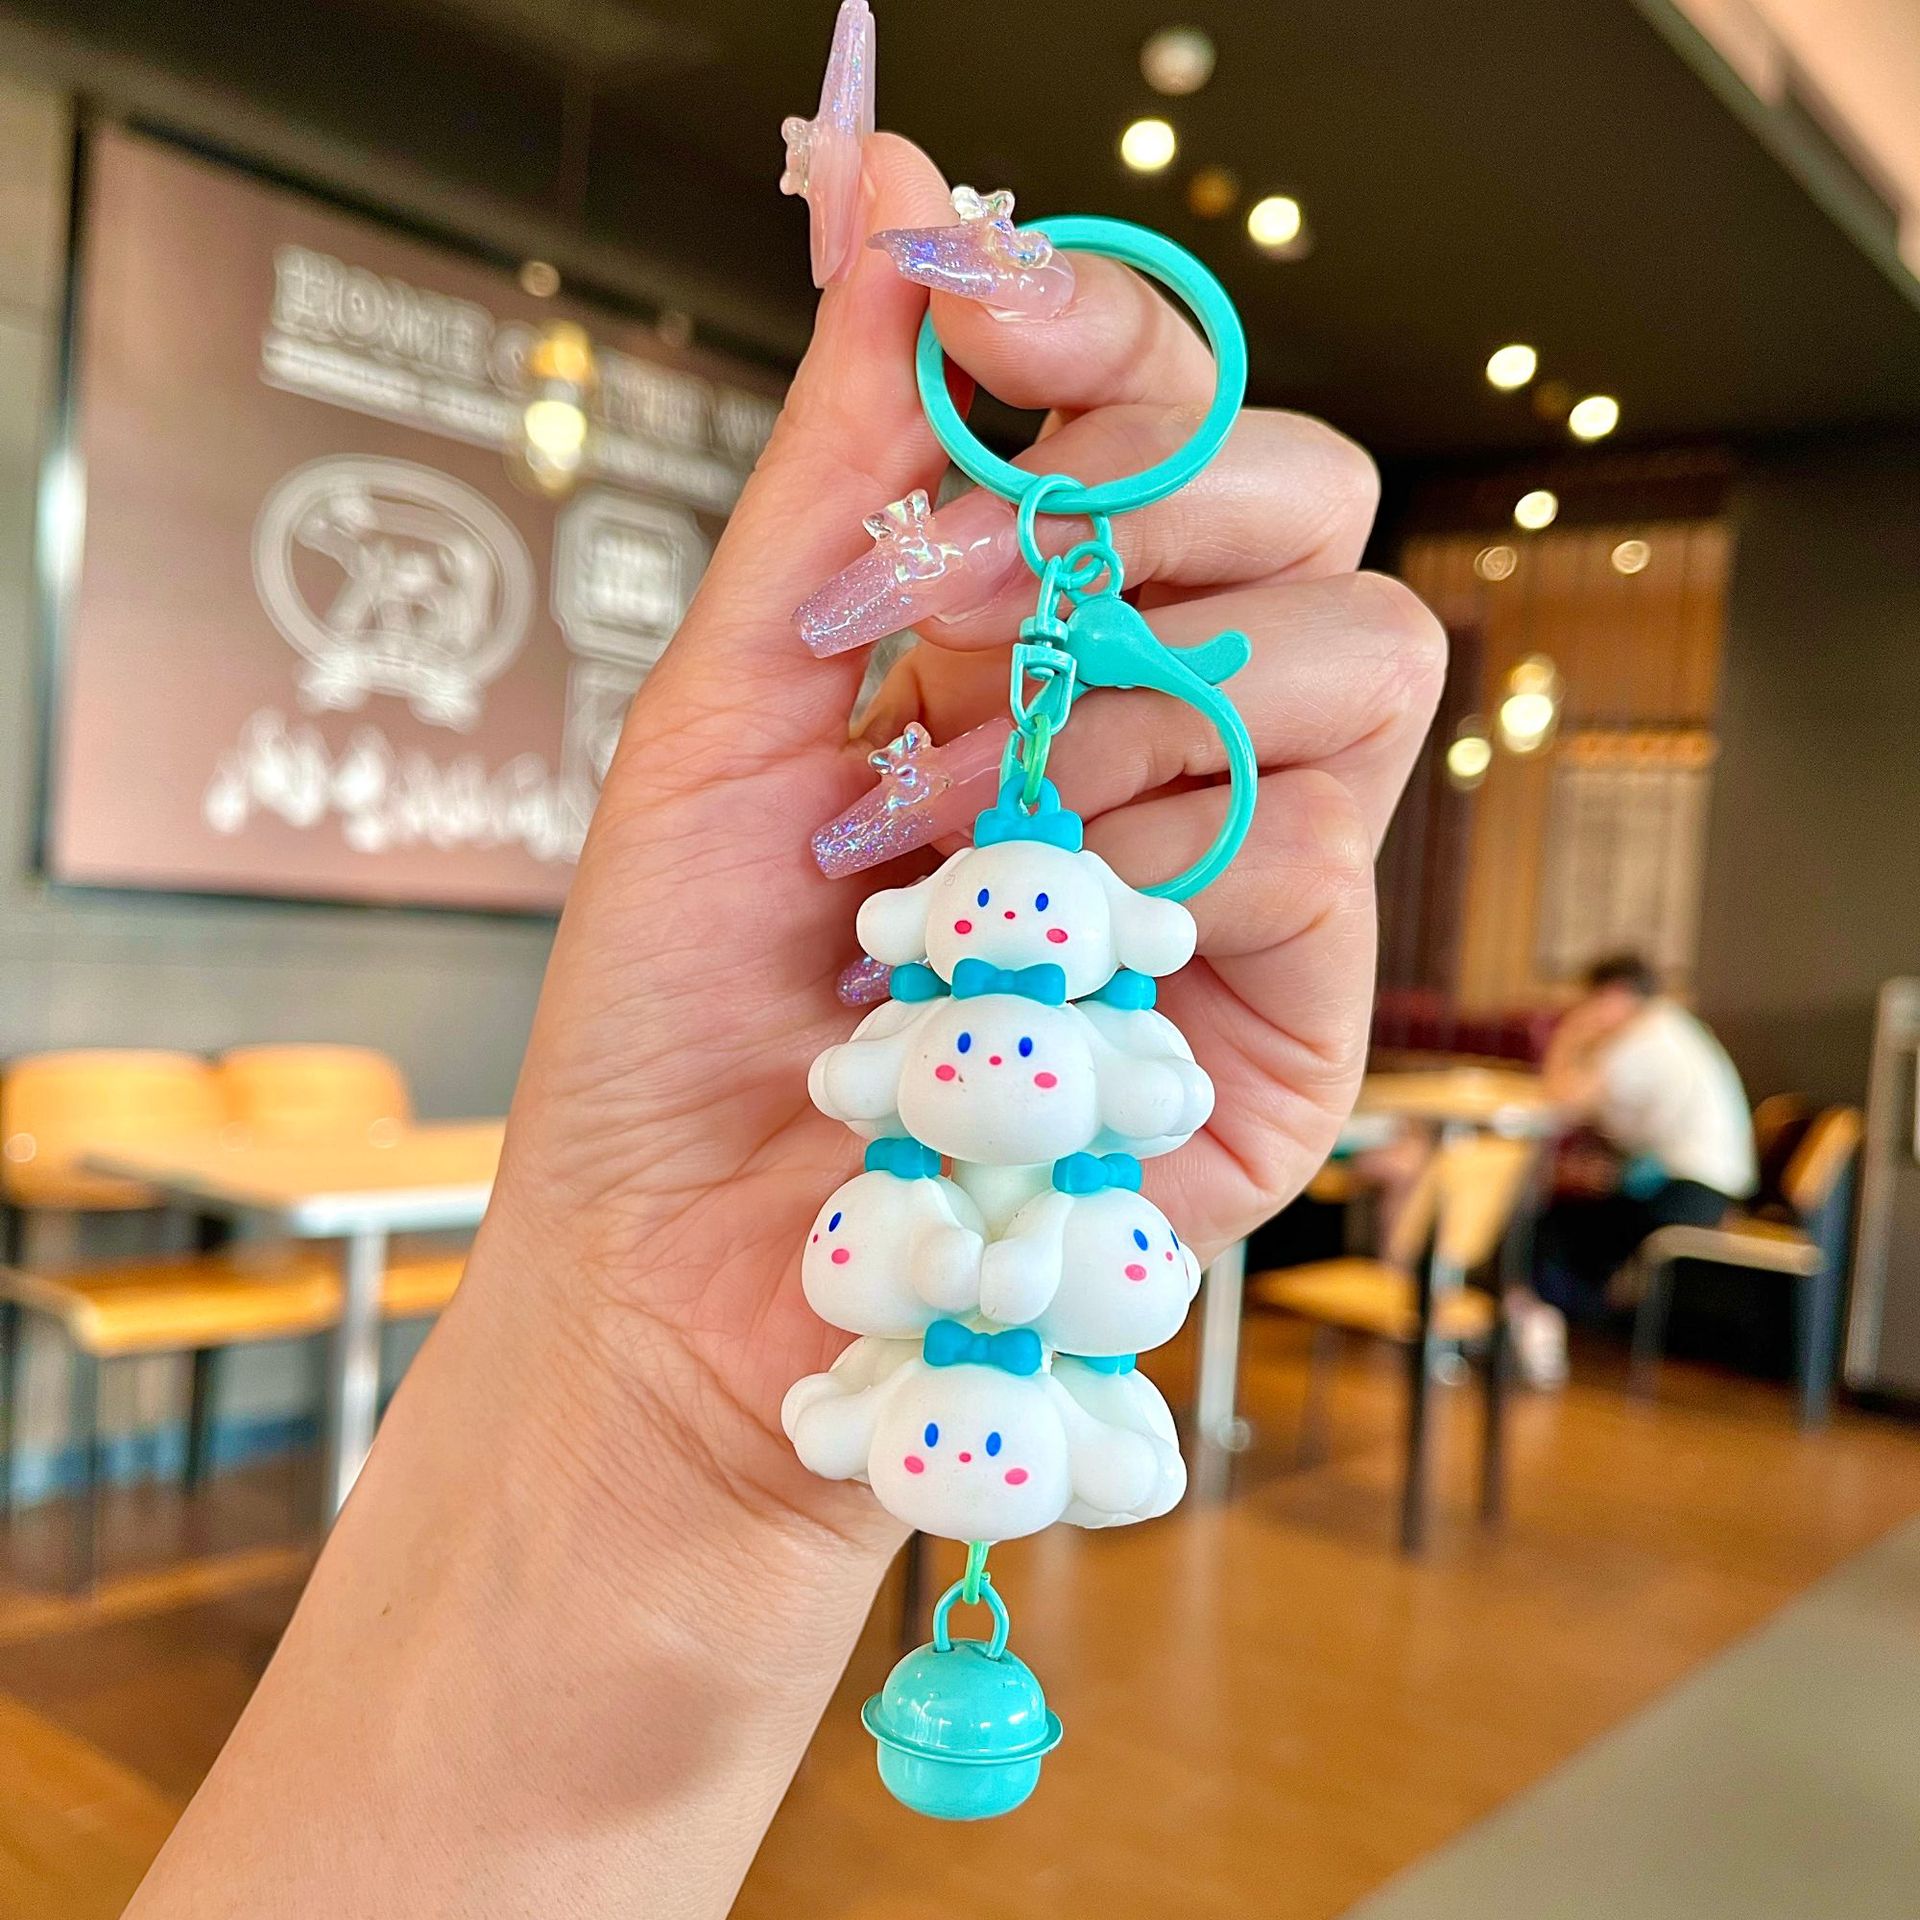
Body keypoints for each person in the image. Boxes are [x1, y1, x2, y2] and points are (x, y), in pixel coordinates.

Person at [121, 133, 1441, 1918]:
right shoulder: (941, 1078)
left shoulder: (1046, 1096)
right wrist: (634, 1391)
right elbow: (875, 1065)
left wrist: (697, 1461)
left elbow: (958, 1084)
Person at [1513, 953, 1756, 1383]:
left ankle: (1541, 1334)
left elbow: (1559, 1101)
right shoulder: (1670, 1028)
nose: (1582, 1009)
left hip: (1692, 1195)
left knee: (1552, 1224)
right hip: (1703, 1189)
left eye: (1588, 1000)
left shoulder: (1647, 1036)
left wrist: (1569, 1034)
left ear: (1614, 995)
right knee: (1571, 1215)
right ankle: (1552, 1327)